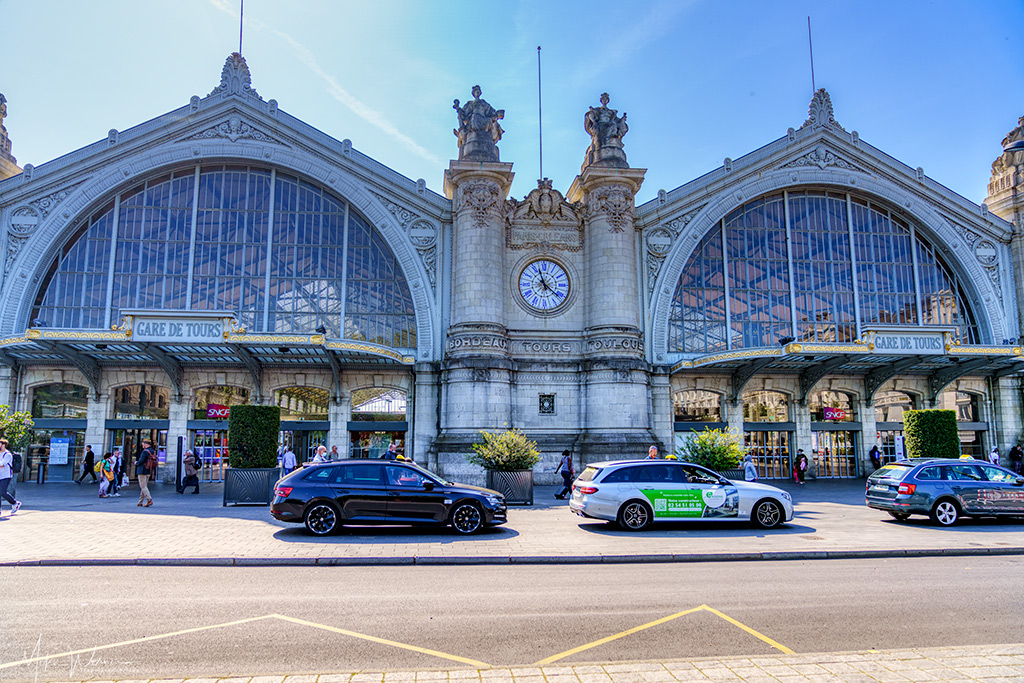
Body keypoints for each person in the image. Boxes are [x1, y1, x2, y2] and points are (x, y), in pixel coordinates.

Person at [0, 438, 22, 516]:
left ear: (4, 445)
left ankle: (15, 503)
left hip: (5, 476)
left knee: (2, 492)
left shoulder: (7, 454)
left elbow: (2, 464)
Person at [136, 438, 156, 507]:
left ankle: (149, 499)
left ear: (145, 444)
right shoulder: (152, 451)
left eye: (142, 444)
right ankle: (140, 501)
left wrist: (136, 463)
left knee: (143, 486)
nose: (142, 446)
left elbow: (141, 461)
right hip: (148, 470)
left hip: (142, 470)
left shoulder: (145, 452)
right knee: (144, 486)